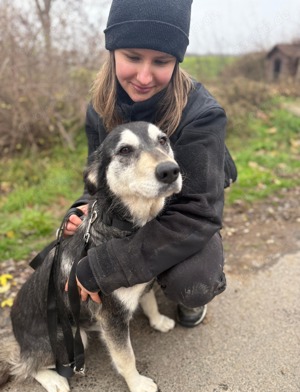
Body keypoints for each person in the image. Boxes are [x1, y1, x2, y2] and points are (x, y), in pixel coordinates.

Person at [64, 0, 237, 327]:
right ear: (112, 51)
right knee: (82, 243)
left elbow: (199, 213)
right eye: (132, 57)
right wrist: (81, 208)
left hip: (186, 207)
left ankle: (189, 292)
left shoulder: (203, 115)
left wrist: (105, 267)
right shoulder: (98, 109)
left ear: (176, 61)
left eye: (161, 61)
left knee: (192, 280)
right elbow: (98, 181)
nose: (144, 76)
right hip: (134, 206)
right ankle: (149, 267)